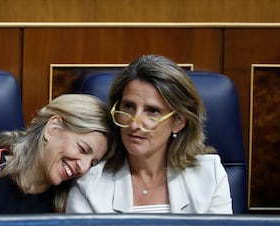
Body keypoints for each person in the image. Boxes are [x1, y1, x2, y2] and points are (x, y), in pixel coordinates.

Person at [65, 54, 233, 214]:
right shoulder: (89, 185)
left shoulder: (210, 175)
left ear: (179, 122)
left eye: (152, 111)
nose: (134, 123)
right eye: (128, 107)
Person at [0, 94, 115, 216]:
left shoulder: (73, 201)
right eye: (82, 149)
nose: (83, 167)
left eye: (92, 163)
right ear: (53, 128)